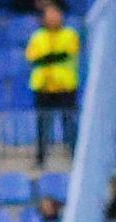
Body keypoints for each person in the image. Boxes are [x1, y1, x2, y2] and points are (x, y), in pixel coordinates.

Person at [25, 4, 79, 166]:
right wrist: (51, 57)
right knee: (42, 126)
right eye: (49, 15)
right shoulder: (37, 36)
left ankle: (76, 157)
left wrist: (46, 57)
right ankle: (40, 159)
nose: (52, 18)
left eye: (55, 14)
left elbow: (67, 54)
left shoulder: (70, 35)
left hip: (65, 87)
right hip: (43, 87)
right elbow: (32, 57)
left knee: (69, 124)